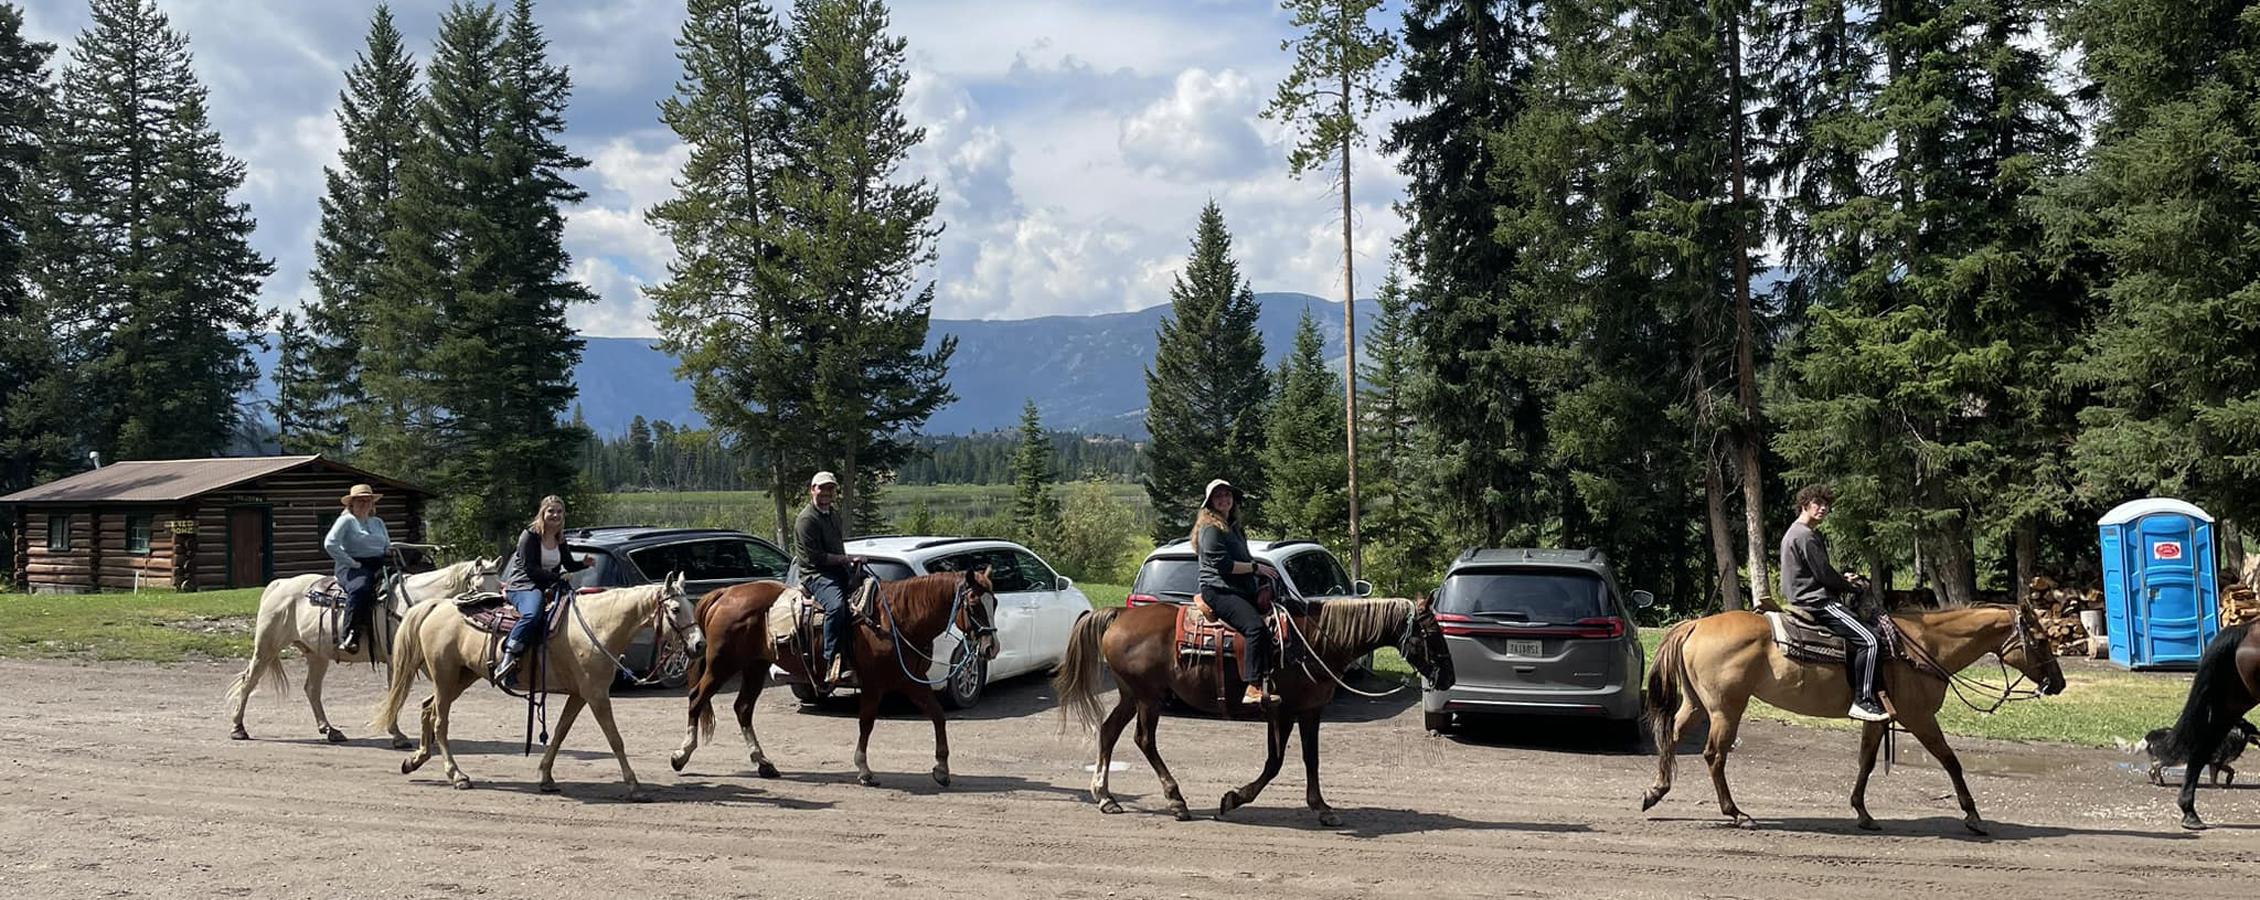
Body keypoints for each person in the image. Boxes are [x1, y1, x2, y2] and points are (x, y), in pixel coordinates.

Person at [1779, 484, 1888, 723]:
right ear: (1804, 505)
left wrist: (1841, 579)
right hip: (1816, 602)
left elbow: (1818, 571)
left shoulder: (1796, 533)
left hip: (1803, 597)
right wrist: (1851, 585)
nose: (1823, 508)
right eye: (1818, 503)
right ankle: (1863, 700)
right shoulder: (1805, 535)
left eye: (1826, 505)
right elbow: (1824, 575)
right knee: (1871, 640)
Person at [1193, 478, 1278, 705]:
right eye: (1218, 496)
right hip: (1219, 590)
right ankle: (1252, 686)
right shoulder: (1210, 529)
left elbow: (1245, 559)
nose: (1224, 499)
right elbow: (1225, 566)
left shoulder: (1234, 528)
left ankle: (1271, 678)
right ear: (1210, 503)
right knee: (1254, 628)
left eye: (1227, 495)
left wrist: (1260, 579)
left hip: (1238, 590)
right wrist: (1255, 568)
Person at [491, 495, 590, 686]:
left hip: (547, 585)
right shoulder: (530, 535)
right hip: (524, 584)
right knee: (532, 613)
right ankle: (507, 657)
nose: (555, 515)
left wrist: (583, 564)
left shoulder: (559, 538)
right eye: (551, 511)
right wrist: (558, 577)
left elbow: (567, 563)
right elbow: (531, 569)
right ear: (542, 513)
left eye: (559, 511)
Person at [794, 471, 865, 687]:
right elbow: (816, 558)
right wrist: (847, 559)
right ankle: (830, 658)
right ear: (812, 490)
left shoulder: (832, 514)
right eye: (821, 488)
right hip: (816, 574)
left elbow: (837, 546)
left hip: (836, 570)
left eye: (830, 489)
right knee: (836, 607)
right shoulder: (807, 520)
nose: (826, 493)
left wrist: (851, 567)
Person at [323, 484, 392, 654]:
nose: (364, 503)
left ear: (372, 504)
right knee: (360, 588)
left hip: (379, 563)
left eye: (368, 500)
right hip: (353, 566)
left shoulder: (378, 522)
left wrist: (391, 552)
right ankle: (350, 634)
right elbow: (330, 544)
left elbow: (387, 545)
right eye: (360, 501)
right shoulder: (346, 521)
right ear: (351, 504)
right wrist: (351, 562)